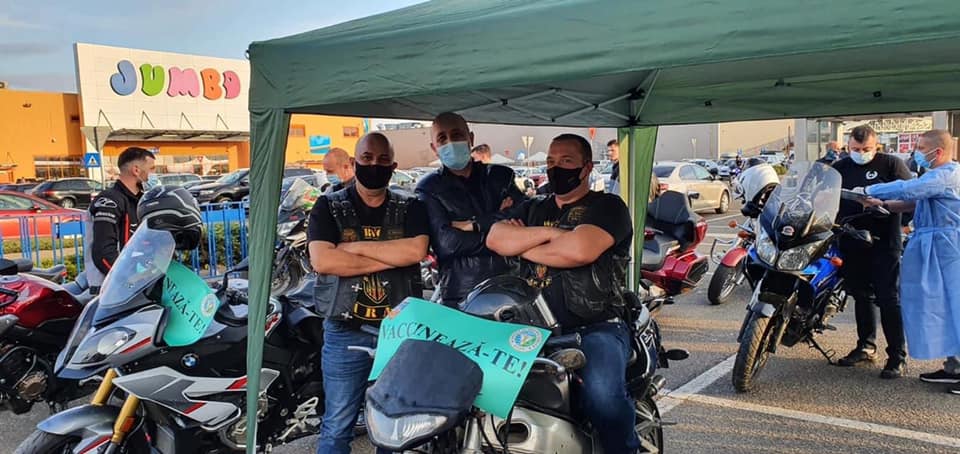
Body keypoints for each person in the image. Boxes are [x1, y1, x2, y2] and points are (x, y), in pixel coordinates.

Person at [487, 133, 638, 453]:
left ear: (587, 168)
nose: (557, 168)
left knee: (603, 398)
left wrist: (522, 245)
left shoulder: (608, 206)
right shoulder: (533, 206)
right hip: (530, 328)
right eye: (551, 161)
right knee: (486, 394)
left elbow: (580, 250)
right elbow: (496, 238)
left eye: (567, 161)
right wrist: (554, 235)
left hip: (595, 324)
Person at [308, 132, 430, 453]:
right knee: (337, 425)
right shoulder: (328, 205)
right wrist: (390, 256)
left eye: (383, 160)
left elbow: (415, 251)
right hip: (345, 331)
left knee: (394, 425)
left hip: (398, 332)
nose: (374, 164)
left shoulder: (411, 206)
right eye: (367, 158)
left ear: (394, 166)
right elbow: (323, 260)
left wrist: (353, 248)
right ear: (354, 162)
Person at [861, 129, 960, 394]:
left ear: (938, 151)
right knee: (941, 306)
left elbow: (909, 189)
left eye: (921, 147)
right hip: (936, 246)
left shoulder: (946, 174)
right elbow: (914, 203)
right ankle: (954, 367)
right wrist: (882, 204)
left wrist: (870, 189)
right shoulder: (934, 176)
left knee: (955, 305)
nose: (916, 152)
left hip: (949, 247)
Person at [416, 112, 525, 306]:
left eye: (457, 135)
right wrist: (501, 228)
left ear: (471, 138)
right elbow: (448, 243)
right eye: (442, 139)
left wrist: (473, 225)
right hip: (461, 295)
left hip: (510, 286)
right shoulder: (429, 188)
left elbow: (523, 216)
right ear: (434, 148)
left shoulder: (500, 177)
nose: (450, 143)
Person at [832, 125, 912, 378]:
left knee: (888, 298)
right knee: (861, 295)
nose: (860, 153)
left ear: (876, 145)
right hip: (851, 239)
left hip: (884, 241)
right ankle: (866, 346)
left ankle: (897, 356)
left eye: (866, 149)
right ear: (848, 147)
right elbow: (824, 195)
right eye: (855, 149)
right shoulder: (840, 167)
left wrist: (886, 208)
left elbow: (910, 199)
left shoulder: (891, 165)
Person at [84, 146, 156, 293]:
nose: (154, 175)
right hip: (109, 289)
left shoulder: (138, 201)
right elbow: (103, 253)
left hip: (131, 286)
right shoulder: (109, 200)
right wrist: (128, 279)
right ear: (136, 170)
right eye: (152, 169)